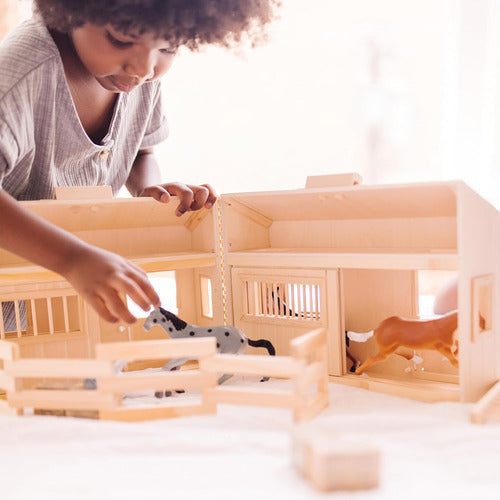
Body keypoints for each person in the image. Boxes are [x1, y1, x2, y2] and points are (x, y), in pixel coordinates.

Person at [0, 0, 280, 327]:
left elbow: (140, 150)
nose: (144, 69)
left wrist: (149, 187)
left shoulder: (134, 78)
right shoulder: (19, 77)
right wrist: (71, 258)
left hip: (56, 305)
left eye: (169, 47)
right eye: (121, 40)